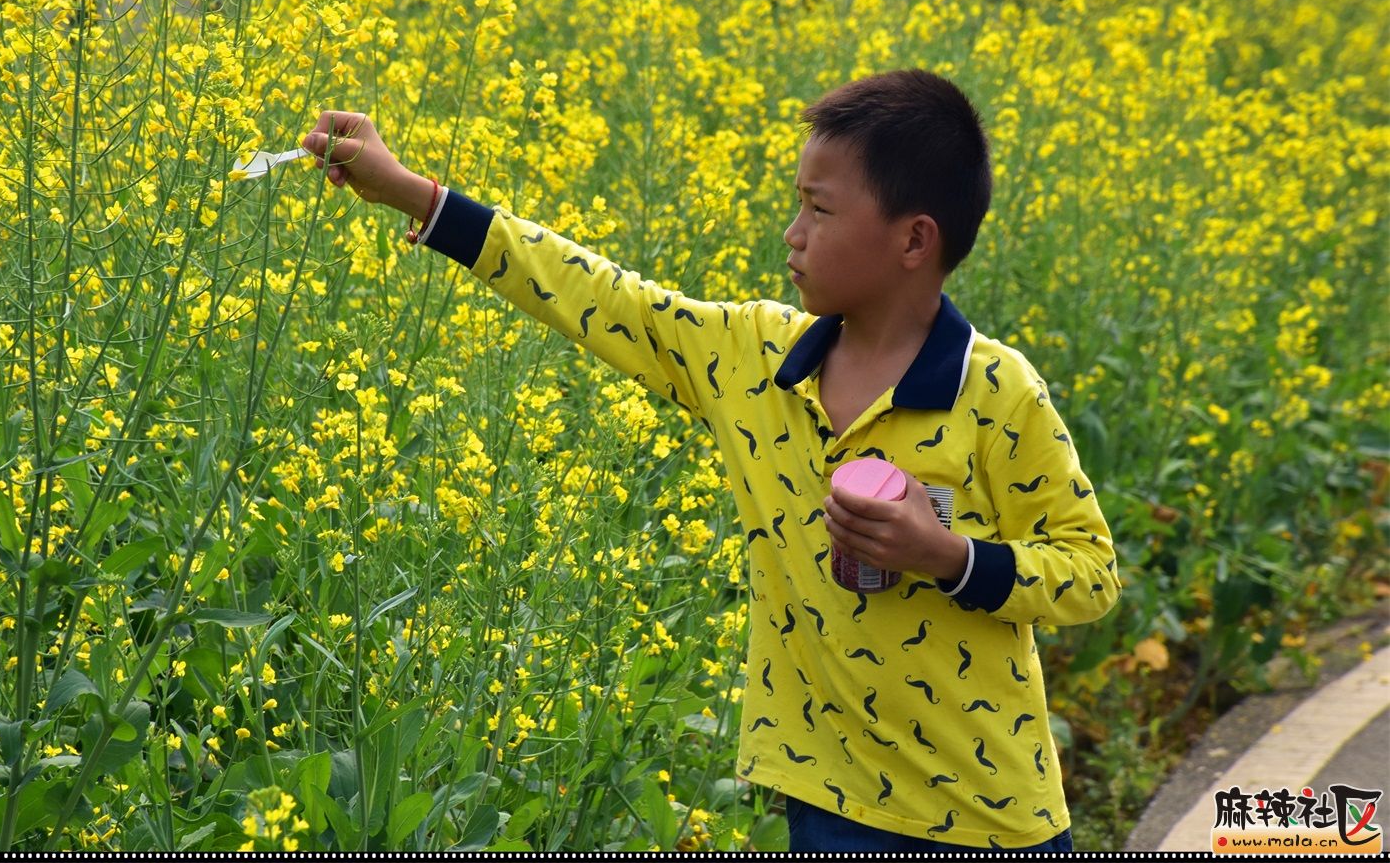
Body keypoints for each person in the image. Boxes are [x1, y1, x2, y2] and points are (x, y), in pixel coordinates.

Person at [300, 69, 1120, 852]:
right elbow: (598, 295)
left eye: (819, 211)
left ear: (914, 239)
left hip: (985, 816)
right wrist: (407, 190)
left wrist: (945, 556)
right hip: (828, 798)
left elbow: (1090, 574)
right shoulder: (753, 355)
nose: (793, 235)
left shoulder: (997, 392)